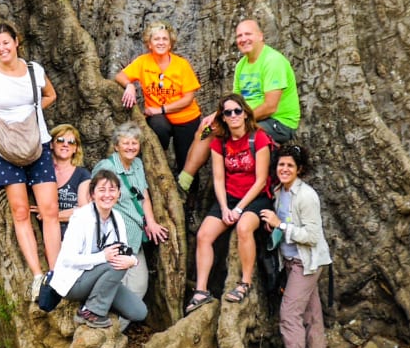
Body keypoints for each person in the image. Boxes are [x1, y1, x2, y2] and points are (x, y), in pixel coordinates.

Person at [0, 23, 61, 299]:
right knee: (21, 212)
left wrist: (30, 113)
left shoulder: (34, 71)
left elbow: (52, 95)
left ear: (16, 41)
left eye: (6, 42)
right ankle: (37, 275)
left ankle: (57, 273)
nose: (2, 48)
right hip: (6, 151)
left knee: (49, 210)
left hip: (38, 145)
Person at [177, 18, 299, 192]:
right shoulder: (242, 65)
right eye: (239, 36)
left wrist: (238, 120)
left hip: (277, 122)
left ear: (260, 36)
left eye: (248, 34)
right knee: (205, 129)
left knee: (221, 131)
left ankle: (194, 185)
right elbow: (234, 101)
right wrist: (218, 114)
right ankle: (183, 182)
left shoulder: (273, 61)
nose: (243, 39)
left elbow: (270, 106)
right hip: (247, 117)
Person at [184, 93, 273, 315]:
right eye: (227, 112)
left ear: (245, 113)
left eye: (237, 111)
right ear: (222, 117)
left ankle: (244, 282)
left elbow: (261, 179)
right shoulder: (218, 143)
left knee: (244, 228)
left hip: (255, 197)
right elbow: (219, 178)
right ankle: (201, 290)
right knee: (204, 235)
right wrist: (224, 208)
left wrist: (239, 209)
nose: (233, 116)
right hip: (229, 198)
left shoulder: (258, 138)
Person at [259, 146, 333, 348]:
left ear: (299, 169)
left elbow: (312, 236)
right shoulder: (280, 192)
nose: (284, 169)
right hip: (291, 262)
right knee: (312, 316)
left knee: (289, 315)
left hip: (307, 263)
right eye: (281, 165)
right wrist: (275, 229)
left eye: (290, 165)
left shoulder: (306, 196)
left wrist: (282, 225)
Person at [48, 169, 148, 329]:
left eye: (112, 190)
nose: (107, 195)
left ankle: (98, 300)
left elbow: (124, 250)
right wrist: (103, 257)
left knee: (138, 312)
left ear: (118, 194)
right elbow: (67, 258)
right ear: (92, 194)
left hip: (102, 278)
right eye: (102, 190)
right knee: (115, 263)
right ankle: (91, 312)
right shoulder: (81, 217)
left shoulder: (117, 217)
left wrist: (133, 260)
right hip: (74, 282)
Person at [91, 122, 169, 300]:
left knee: (138, 287)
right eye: (125, 143)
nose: (130, 147)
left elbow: (143, 196)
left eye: (134, 143)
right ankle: (103, 324)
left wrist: (150, 222)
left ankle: (118, 326)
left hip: (134, 239)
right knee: (113, 287)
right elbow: (92, 197)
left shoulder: (137, 164)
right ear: (116, 146)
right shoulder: (107, 167)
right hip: (113, 240)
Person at [114, 20, 201, 170]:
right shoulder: (143, 62)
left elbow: (188, 98)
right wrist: (129, 85)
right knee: (157, 125)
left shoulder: (182, 65)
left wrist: (161, 109)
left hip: (186, 118)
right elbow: (120, 76)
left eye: (164, 39)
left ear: (170, 44)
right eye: (156, 39)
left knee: (186, 162)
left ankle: (188, 191)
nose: (161, 42)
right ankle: (161, 160)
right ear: (149, 44)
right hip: (160, 119)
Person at [48, 123, 91, 237]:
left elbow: (84, 210)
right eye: (60, 140)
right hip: (44, 235)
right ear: (52, 144)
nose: (65, 144)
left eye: (71, 142)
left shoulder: (82, 174)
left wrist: (51, 216)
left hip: (73, 236)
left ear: (75, 148)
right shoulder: (43, 173)